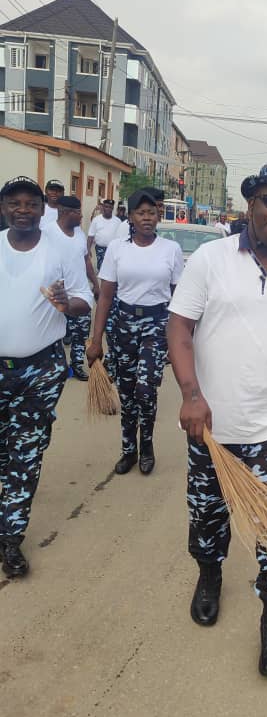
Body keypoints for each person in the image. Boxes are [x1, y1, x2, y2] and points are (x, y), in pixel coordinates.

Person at [167, 164, 267, 678]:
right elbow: (180, 326)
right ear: (250, 205)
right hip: (210, 426)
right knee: (208, 514)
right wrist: (191, 395)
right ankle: (210, 575)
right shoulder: (211, 259)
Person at [0, 176, 92, 578]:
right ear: (4, 208)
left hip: (40, 370)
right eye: (15, 203)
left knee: (25, 455)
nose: (23, 209)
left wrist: (65, 303)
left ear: (43, 209)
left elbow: (85, 301)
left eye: (31, 203)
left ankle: (10, 539)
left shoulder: (61, 252)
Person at [87, 189, 183, 475]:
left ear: (158, 216)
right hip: (123, 324)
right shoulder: (118, 249)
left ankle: (148, 445)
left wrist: (181, 338)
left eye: (151, 213)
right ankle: (129, 449)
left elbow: (179, 297)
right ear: (130, 217)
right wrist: (96, 340)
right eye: (141, 213)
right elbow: (105, 297)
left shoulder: (171, 249)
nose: (147, 218)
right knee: (127, 393)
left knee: (145, 389)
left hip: (156, 324)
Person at [46, 196, 100, 381]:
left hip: (81, 295)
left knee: (80, 335)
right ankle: (56, 369)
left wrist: (95, 283)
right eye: (78, 213)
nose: (81, 217)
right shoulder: (47, 232)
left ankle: (77, 365)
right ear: (65, 212)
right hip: (57, 296)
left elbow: (86, 260)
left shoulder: (79, 234)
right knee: (55, 336)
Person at [87, 198, 120, 270]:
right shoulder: (96, 220)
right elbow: (90, 235)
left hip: (113, 250)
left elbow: (121, 237)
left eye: (110, 207)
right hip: (100, 249)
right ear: (103, 207)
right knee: (102, 268)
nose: (108, 209)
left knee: (112, 268)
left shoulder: (117, 221)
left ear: (113, 208)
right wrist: (88, 249)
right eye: (106, 206)